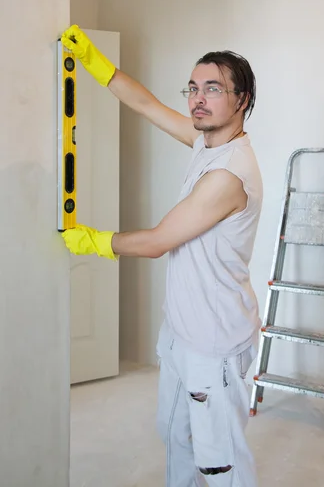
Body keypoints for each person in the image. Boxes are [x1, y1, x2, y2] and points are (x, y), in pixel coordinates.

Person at [61, 25, 263, 486]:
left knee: (221, 461)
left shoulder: (229, 175)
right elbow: (148, 105)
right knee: (176, 437)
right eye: (193, 88)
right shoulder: (205, 144)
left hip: (214, 341)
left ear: (242, 99)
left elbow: (156, 242)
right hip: (181, 330)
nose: (198, 99)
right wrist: (97, 64)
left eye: (213, 89)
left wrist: (91, 240)